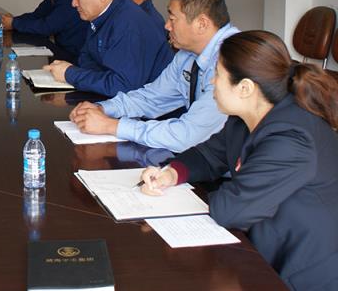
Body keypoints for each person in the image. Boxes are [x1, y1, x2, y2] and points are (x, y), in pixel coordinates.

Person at [139, 30, 338, 290]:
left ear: (245, 88)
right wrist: (170, 173)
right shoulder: (245, 119)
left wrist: (187, 202)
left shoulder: (292, 138)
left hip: (304, 270)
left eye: (218, 74)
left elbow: (231, 210)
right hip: (265, 249)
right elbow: (208, 155)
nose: (212, 82)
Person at [70, 0, 238, 152]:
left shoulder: (232, 62)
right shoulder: (187, 54)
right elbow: (152, 97)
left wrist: (111, 126)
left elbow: (187, 135)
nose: (167, 26)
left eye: (173, 19)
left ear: (201, 24)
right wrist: (102, 108)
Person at [43, 0, 173, 97]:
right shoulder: (101, 15)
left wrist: (70, 74)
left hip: (148, 106)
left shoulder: (128, 23)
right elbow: (86, 59)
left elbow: (123, 86)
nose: (73, 3)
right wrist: (88, 76)